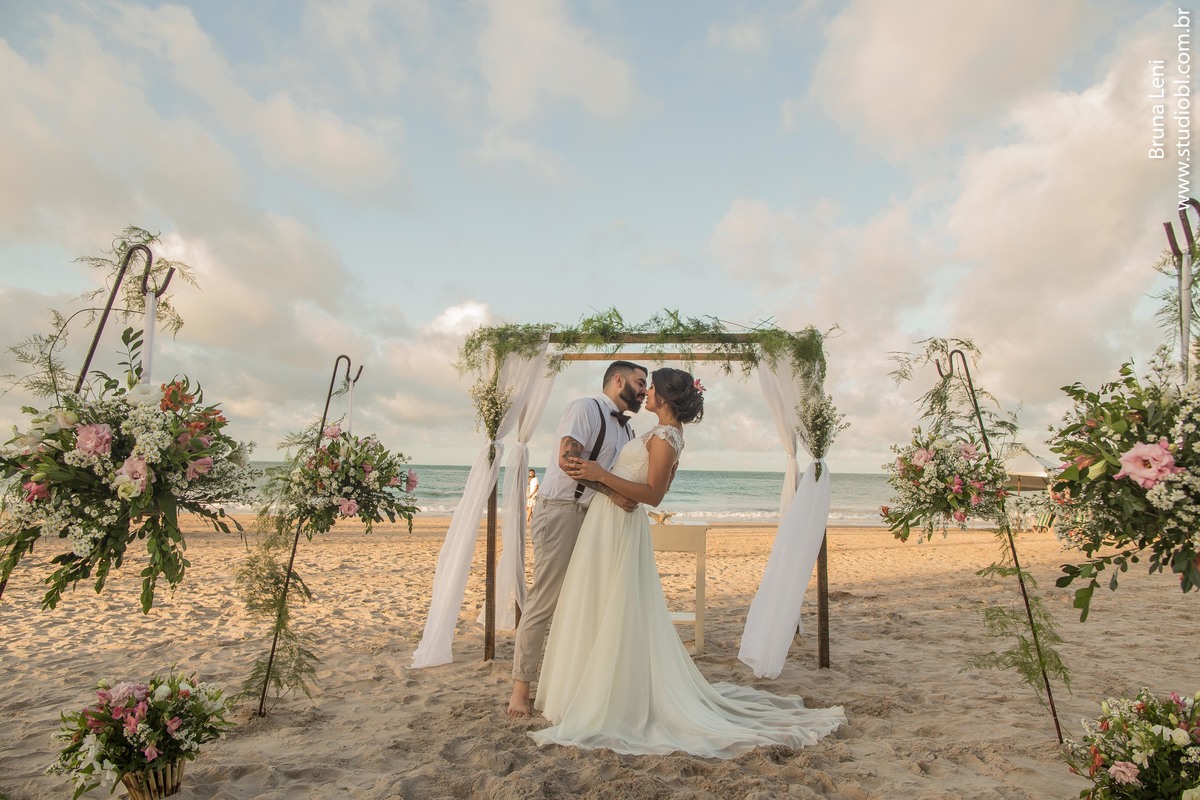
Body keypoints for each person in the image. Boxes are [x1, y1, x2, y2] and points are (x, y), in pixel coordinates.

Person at [530, 367, 845, 758]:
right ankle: (583, 688)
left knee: (615, 607)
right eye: (641, 385)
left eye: (650, 388)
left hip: (618, 528)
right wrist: (604, 482)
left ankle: (607, 696)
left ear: (663, 397)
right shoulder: (650, 432)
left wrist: (599, 475)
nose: (645, 393)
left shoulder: (666, 436)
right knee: (598, 603)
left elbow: (653, 494)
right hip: (605, 523)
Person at [506, 360, 649, 718]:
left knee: (587, 600)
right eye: (639, 382)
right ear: (618, 380)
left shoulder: (628, 433)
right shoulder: (585, 408)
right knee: (546, 600)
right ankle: (520, 690)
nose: (645, 390)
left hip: (595, 519)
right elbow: (568, 460)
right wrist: (613, 493)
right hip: (561, 511)